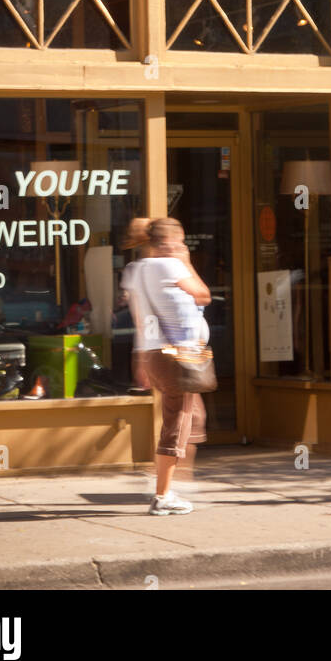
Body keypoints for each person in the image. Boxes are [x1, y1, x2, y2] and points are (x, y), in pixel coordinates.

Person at [121, 217, 211, 516]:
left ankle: (171, 480)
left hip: (153, 354)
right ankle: (163, 494)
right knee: (177, 422)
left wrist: (140, 360)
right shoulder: (171, 266)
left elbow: (139, 319)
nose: (183, 246)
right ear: (170, 242)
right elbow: (203, 295)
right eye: (181, 241)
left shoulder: (135, 270)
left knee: (188, 417)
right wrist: (187, 262)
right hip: (176, 358)